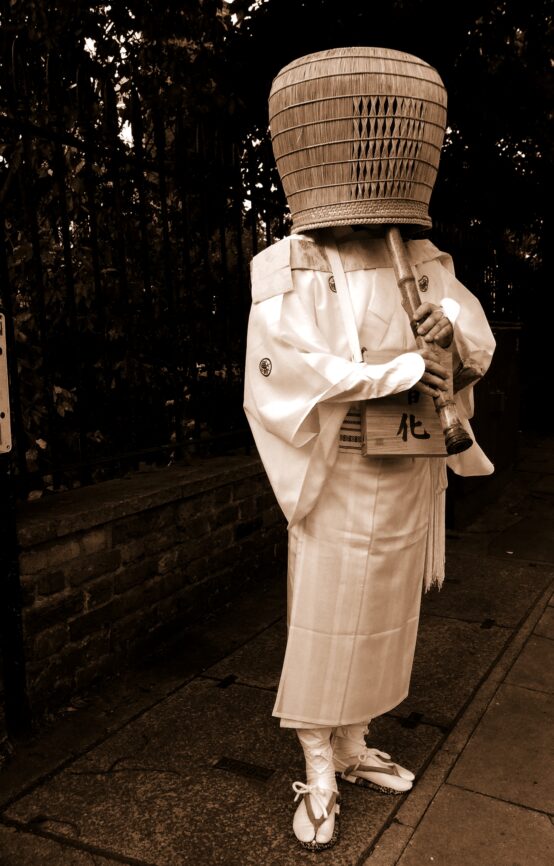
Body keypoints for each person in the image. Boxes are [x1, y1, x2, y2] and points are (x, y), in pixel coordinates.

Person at [243, 48, 496, 852]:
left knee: (387, 616)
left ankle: (354, 743)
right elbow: (289, 373)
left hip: (407, 465)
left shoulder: (420, 257)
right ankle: (317, 766)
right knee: (328, 617)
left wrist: (446, 336)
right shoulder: (290, 263)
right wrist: (401, 370)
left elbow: (475, 343)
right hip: (340, 471)